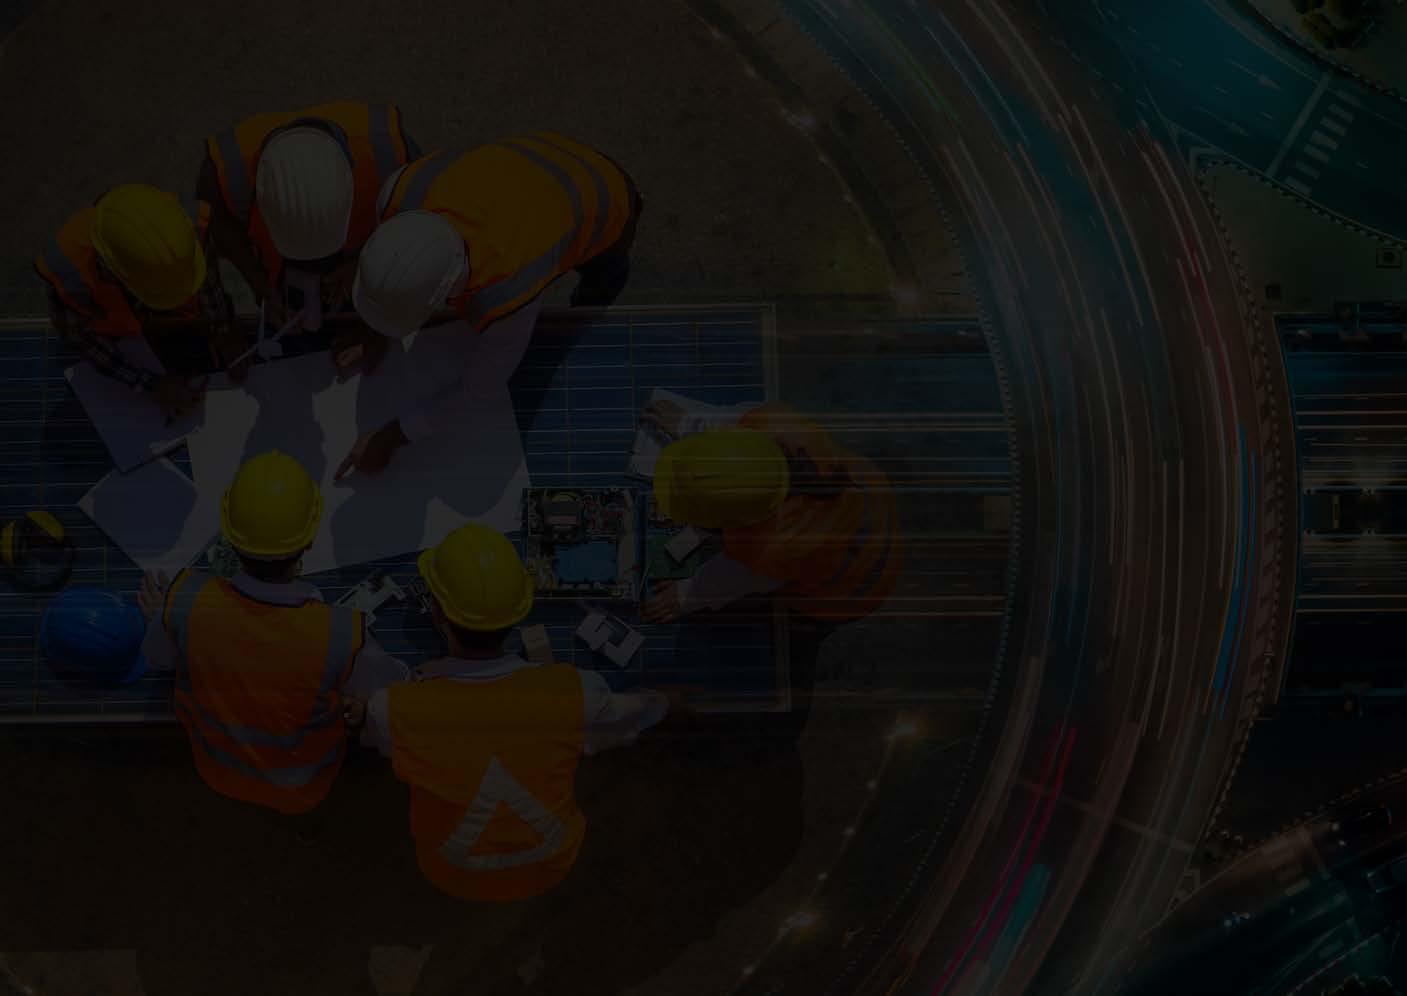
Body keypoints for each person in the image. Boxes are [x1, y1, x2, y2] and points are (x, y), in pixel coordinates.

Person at [347, 523, 670, 902]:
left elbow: (368, 728)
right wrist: (670, 701)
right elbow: (636, 714)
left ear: (436, 612)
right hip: (552, 864)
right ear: (519, 614)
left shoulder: (395, 709)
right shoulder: (574, 692)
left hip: (450, 872)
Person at [333, 133, 644, 480]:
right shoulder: (398, 194)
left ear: (442, 296)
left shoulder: (508, 295)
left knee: (601, 280)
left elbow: (478, 391)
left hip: (603, 193)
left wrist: (394, 435)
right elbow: (396, 263)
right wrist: (375, 326)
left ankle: (586, 313)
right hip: (541, 154)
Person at [136, 450, 407, 815]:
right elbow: (392, 688)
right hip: (300, 786)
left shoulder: (186, 601)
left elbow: (158, 658)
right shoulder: (341, 635)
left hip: (217, 770)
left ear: (230, 537)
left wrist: (165, 616)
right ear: (309, 540)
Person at [639, 400, 902, 736]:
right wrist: (689, 424)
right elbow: (729, 434)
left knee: (793, 643)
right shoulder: (771, 425)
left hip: (854, 589)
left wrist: (684, 594)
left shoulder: (776, 549)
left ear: (740, 522)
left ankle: (783, 727)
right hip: (872, 503)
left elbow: (729, 580)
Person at [197, 100, 419, 371]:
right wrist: (260, 284)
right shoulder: (225, 170)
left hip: (361, 263)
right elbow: (219, 229)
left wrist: (366, 271)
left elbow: (416, 238)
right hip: (279, 284)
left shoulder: (392, 152)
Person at [35, 183, 243, 417]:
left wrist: (223, 331)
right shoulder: (68, 274)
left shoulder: (184, 231)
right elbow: (87, 343)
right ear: (112, 271)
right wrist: (149, 384)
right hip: (122, 342)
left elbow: (208, 284)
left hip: (173, 332)